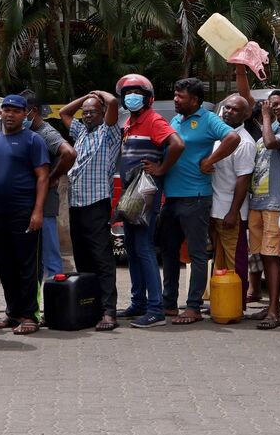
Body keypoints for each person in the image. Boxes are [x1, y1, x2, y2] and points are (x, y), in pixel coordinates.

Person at [159, 78, 240, 325]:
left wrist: (210, 161)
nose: (176, 99)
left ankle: (193, 306)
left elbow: (232, 138)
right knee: (169, 251)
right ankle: (169, 303)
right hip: (171, 197)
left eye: (180, 96)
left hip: (195, 196)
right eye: (175, 94)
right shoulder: (176, 120)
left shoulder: (208, 119)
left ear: (194, 100)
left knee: (196, 253)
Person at [115, 75, 183, 329]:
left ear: (149, 98)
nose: (131, 96)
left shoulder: (153, 120)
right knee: (132, 249)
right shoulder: (130, 122)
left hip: (144, 194)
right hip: (132, 194)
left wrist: (162, 167)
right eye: (127, 92)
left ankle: (155, 309)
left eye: (137, 92)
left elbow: (177, 144)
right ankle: (138, 302)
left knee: (143, 249)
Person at [0, 94, 50, 335]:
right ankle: (12, 312)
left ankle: (30, 315)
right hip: (0, 213)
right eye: (6, 109)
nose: (10, 114)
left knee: (27, 266)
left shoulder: (34, 140)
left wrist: (37, 211)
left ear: (26, 114)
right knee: (5, 265)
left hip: (24, 212)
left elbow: (43, 177)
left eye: (15, 110)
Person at [61, 88, 123, 330]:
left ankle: (109, 311)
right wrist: (85, 97)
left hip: (96, 204)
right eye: (85, 112)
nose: (87, 116)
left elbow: (114, 103)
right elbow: (66, 112)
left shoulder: (108, 133)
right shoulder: (81, 133)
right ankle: (90, 306)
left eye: (92, 112)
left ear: (102, 113)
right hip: (76, 204)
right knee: (83, 259)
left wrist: (99, 94)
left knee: (102, 260)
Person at [247, 88, 280, 329]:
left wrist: (267, 118)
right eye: (271, 104)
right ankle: (271, 305)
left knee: (272, 255)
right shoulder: (257, 138)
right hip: (258, 203)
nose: (276, 107)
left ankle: (276, 310)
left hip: (274, 205)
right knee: (262, 256)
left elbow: (270, 142)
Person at [208, 85, 256, 305]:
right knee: (218, 261)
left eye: (235, 110)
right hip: (215, 208)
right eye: (226, 108)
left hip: (230, 211)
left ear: (245, 115)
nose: (228, 112)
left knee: (234, 260)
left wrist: (233, 212)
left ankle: (235, 303)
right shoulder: (221, 136)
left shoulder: (245, 142)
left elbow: (243, 180)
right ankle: (220, 302)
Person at [22, 91, 76, 280]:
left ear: (33, 111)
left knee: (50, 254)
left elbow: (69, 153)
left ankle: (57, 301)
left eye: (23, 110)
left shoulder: (46, 133)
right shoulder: (27, 133)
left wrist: (53, 176)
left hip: (45, 204)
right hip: (29, 200)